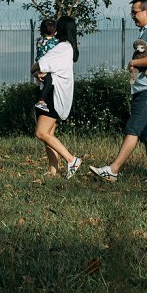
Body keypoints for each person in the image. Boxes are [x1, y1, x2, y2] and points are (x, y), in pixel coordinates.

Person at [93, 0, 147, 183]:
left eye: (135, 12)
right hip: (142, 89)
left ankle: (113, 170)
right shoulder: (143, 33)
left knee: (132, 127)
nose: (132, 16)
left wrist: (133, 62)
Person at [30, 15, 83, 178]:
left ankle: (71, 159)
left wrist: (33, 70)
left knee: (41, 133)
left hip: (52, 94)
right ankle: (53, 170)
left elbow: (41, 63)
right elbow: (51, 67)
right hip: (57, 92)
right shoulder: (68, 48)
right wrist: (40, 73)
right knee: (49, 134)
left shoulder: (62, 47)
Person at [32, 17, 59, 114]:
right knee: (48, 82)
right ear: (55, 31)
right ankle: (41, 101)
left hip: (39, 66)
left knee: (41, 85)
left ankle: (40, 101)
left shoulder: (39, 40)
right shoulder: (56, 42)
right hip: (47, 68)